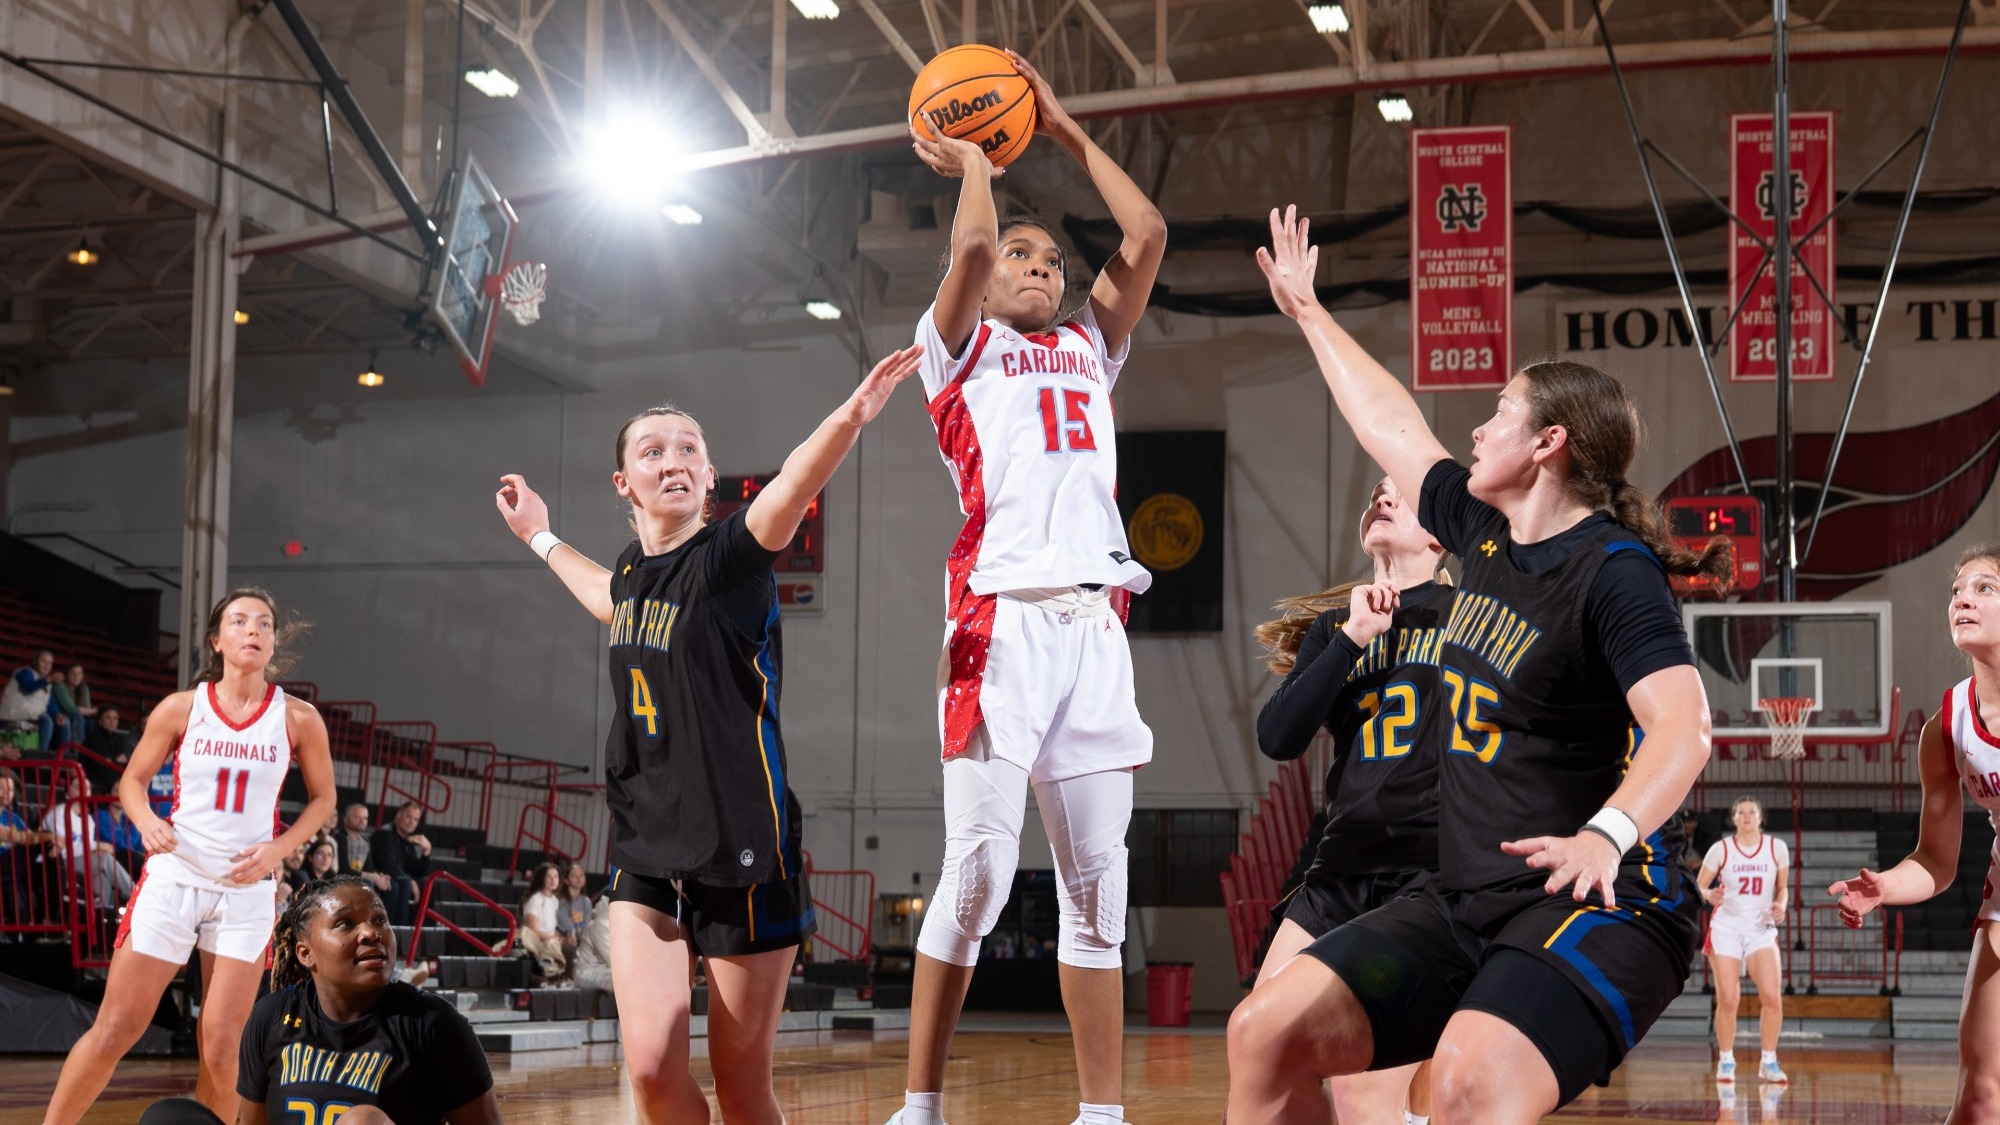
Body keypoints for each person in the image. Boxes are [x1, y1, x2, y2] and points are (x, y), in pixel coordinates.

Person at [1227, 207, 1722, 1124]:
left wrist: (1606, 834)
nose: (1478, 427)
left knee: (1460, 1082)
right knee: (1263, 1030)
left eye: (1500, 411)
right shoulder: (1482, 535)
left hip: (1598, 904)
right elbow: (1393, 426)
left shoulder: (1614, 572)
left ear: (1550, 441)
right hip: (1464, 903)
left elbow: (1685, 728)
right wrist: (1308, 311)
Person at [493, 339, 922, 1125]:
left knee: (740, 1084)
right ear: (626, 481)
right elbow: (605, 600)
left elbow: (793, 483)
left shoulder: (730, 559)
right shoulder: (631, 571)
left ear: (709, 472)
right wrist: (538, 537)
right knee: (653, 1069)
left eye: (689, 447)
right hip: (648, 847)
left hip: (743, 853)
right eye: (654, 450)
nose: (675, 459)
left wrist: (851, 418)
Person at [894, 48, 1167, 1125]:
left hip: (1095, 625)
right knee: (976, 877)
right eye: (1025, 255)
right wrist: (975, 155)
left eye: (1051, 257)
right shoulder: (951, 352)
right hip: (997, 621)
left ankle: (1100, 1116)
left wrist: (1057, 126)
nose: (1041, 266)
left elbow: (1143, 237)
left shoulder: (1091, 348)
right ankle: (919, 1104)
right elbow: (967, 239)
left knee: (1098, 893)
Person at [41, 588, 338, 1125]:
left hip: (247, 888)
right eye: (240, 621)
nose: (253, 631)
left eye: (265, 624)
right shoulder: (182, 707)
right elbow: (131, 781)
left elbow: (324, 799)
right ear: (216, 639)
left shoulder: (298, 718)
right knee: (117, 1028)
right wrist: (147, 821)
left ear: (273, 642)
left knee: (225, 1050)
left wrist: (277, 848)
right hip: (177, 873)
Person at [1249, 476, 1449, 1125]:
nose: (1382, 497)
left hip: (1425, 875)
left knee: (1365, 1093)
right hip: (1338, 871)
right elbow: (1278, 737)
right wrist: (1352, 637)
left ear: (1440, 535)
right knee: (1258, 1037)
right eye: (1376, 490)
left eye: (1402, 493)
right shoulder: (1340, 627)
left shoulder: (1473, 616)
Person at [1831, 542, 2000, 1124]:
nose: (1962, 599)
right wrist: (1885, 888)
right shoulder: (1947, 725)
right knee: (1980, 1098)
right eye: (1957, 590)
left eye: (1984, 588)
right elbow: (1936, 858)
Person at [137, 877, 501, 1125]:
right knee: (168, 1117)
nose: (372, 932)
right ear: (305, 953)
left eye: (380, 920)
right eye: (346, 923)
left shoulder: (432, 1023)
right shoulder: (272, 1015)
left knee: (364, 1121)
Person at [1697, 795, 1790, 1085]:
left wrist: (1781, 905)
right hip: (1726, 928)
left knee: (1772, 998)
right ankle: (1726, 1060)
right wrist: (1709, 895)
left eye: (1752, 812)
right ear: (1733, 818)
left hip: (1761, 929)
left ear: (1760, 817)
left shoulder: (1777, 848)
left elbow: (1782, 888)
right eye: (1741, 812)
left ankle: (1769, 1061)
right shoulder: (1720, 849)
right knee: (1728, 999)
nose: (1747, 816)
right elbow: (1699, 884)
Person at [40, 771, 135, 911]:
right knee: (104, 859)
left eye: (88, 788)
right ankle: (135, 894)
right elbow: (64, 851)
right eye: (78, 787)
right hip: (57, 863)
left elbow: (86, 849)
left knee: (102, 875)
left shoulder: (88, 819)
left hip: (80, 861)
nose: (84, 790)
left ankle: (101, 915)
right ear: (67, 793)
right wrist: (97, 845)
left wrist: (94, 848)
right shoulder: (59, 812)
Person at [371, 802, 432, 927]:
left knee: (427, 882)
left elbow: (418, 872)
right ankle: (399, 930)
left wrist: (426, 852)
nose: (411, 822)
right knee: (404, 882)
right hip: (383, 878)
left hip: (399, 878)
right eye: (408, 817)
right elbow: (389, 867)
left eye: (415, 819)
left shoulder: (406, 839)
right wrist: (410, 880)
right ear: (398, 815)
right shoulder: (385, 834)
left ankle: (424, 928)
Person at [1, 650, 59, 750]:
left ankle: (62, 759)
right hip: (12, 715)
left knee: (63, 723)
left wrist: (58, 714)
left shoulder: (46, 683)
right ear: (36, 661)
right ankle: (41, 756)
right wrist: (48, 680)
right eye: (43, 661)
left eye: (50, 663)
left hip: (31, 715)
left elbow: (50, 704)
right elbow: (28, 687)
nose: (46, 665)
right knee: (46, 720)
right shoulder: (25, 672)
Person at [517, 861, 566, 980]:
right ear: (542, 879)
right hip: (534, 939)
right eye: (549, 876)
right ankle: (550, 974)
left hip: (548, 938)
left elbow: (551, 928)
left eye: (556, 877)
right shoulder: (535, 900)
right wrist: (552, 938)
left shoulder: (555, 901)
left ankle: (557, 974)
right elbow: (533, 929)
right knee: (552, 943)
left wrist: (559, 937)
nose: (553, 880)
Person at [335, 803, 393, 900]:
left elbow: (368, 868)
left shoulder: (365, 841)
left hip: (358, 878)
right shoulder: (339, 837)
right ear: (345, 819)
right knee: (367, 883)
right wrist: (373, 877)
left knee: (392, 885)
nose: (362, 821)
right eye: (357, 817)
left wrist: (379, 876)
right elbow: (342, 869)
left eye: (365, 818)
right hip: (340, 879)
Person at [81, 705, 138, 793]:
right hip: (98, 781)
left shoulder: (120, 739)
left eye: (115, 718)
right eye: (108, 717)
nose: (112, 721)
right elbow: (100, 766)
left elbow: (127, 763)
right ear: (100, 721)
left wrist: (112, 760)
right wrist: (116, 760)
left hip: (117, 780)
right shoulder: (93, 738)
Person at [52, 664, 97, 749]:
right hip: (60, 718)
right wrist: (92, 711)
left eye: (79, 674)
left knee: (93, 723)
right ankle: (78, 750)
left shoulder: (84, 689)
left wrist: (88, 711)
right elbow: (71, 709)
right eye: (73, 673)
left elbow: (86, 708)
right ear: (67, 675)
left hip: (78, 718)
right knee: (78, 717)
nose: (76, 677)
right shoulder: (60, 686)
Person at [556, 861, 592, 950]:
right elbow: (567, 927)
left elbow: (587, 925)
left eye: (581, 875)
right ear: (566, 880)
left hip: (582, 938)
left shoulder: (586, 901)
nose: (579, 878)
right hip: (564, 938)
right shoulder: (560, 901)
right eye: (574, 876)